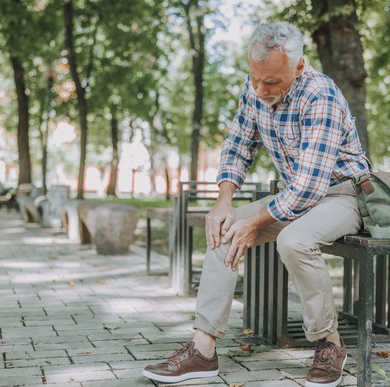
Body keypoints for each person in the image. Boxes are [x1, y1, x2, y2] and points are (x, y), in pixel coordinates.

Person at [142, 21, 371, 387]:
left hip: (342, 195)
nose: (261, 89)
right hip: (293, 195)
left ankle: (330, 344)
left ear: (298, 67)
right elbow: (238, 146)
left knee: (294, 241)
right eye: (255, 78)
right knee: (223, 229)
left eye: (272, 82)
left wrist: (258, 221)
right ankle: (203, 351)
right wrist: (224, 202)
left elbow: (311, 187)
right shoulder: (255, 90)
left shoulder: (320, 95)